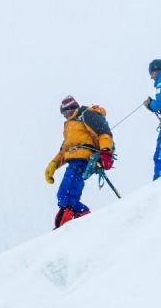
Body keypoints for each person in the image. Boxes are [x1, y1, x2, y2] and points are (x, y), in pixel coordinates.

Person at [44, 96, 114, 229]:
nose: (64, 116)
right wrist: (53, 164)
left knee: (65, 194)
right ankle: (82, 220)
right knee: (68, 196)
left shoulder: (86, 114)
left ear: (71, 108)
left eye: (64, 112)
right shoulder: (70, 125)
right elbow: (65, 149)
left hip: (83, 160)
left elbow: (104, 133)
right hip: (74, 160)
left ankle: (69, 224)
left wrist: (106, 151)